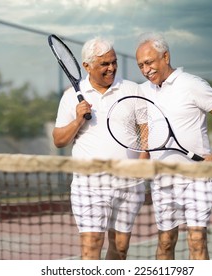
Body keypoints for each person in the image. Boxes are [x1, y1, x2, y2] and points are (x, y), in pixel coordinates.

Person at [135, 32, 212, 260]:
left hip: (197, 178)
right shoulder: (142, 91)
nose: (145, 69)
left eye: (149, 62)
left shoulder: (192, 84)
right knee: (165, 242)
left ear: (166, 56)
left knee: (197, 241)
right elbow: (145, 131)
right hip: (162, 179)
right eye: (141, 65)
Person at [53, 37, 146, 260]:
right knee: (91, 246)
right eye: (104, 64)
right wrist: (77, 120)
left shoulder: (133, 90)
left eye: (113, 62)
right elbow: (58, 140)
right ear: (87, 66)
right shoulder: (70, 97)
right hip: (89, 185)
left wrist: (144, 157)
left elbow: (146, 129)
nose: (111, 67)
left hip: (130, 183)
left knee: (120, 248)